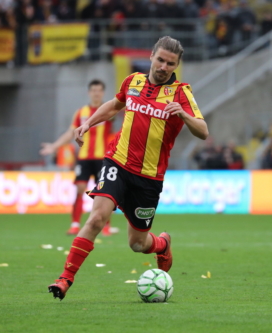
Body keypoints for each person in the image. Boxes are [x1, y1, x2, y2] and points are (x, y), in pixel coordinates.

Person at [48, 36, 209, 301]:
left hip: (148, 178)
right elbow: (114, 105)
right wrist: (88, 123)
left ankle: (162, 243)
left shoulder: (181, 92)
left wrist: (183, 114)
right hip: (117, 162)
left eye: (170, 63)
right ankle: (65, 278)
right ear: (151, 57)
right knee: (97, 217)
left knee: (138, 244)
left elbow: (203, 131)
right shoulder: (133, 81)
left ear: (176, 65)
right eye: (160, 60)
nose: (164, 66)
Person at [40, 80, 117, 237]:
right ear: (89, 92)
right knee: (80, 189)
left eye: (99, 90)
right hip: (83, 158)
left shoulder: (108, 110)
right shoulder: (81, 112)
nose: (96, 93)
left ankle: (106, 226)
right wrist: (54, 147)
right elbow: (70, 133)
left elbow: (118, 116)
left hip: (103, 159)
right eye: (93, 90)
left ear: (103, 93)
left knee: (105, 194)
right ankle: (75, 225)